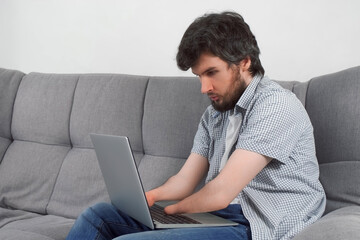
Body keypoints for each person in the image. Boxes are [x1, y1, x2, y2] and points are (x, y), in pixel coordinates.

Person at [66, 11, 326, 240]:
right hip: (221, 214)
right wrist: (151, 199)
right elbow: (184, 180)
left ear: (244, 61)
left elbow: (221, 192)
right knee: (97, 215)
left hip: (259, 224)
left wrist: (170, 213)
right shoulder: (215, 114)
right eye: (199, 76)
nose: (204, 88)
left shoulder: (276, 105)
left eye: (211, 72)